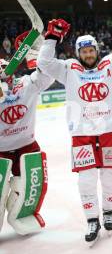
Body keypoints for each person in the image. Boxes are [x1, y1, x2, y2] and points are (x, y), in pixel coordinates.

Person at [37, 2, 112, 245]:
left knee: (109, 176)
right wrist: (51, 37)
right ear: (78, 53)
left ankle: (108, 212)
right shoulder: (68, 69)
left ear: (96, 50)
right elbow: (44, 63)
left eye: (91, 50)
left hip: (109, 129)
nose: (87, 54)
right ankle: (91, 218)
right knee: (85, 178)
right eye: (83, 51)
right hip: (82, 131)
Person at [0, 31, 54, 235]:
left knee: (28, 188)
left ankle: (21, 216)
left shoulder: (26, 84)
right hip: (0, 151)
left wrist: (37, 59)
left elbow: (47, 76)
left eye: (6, 70)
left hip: (27, 146)